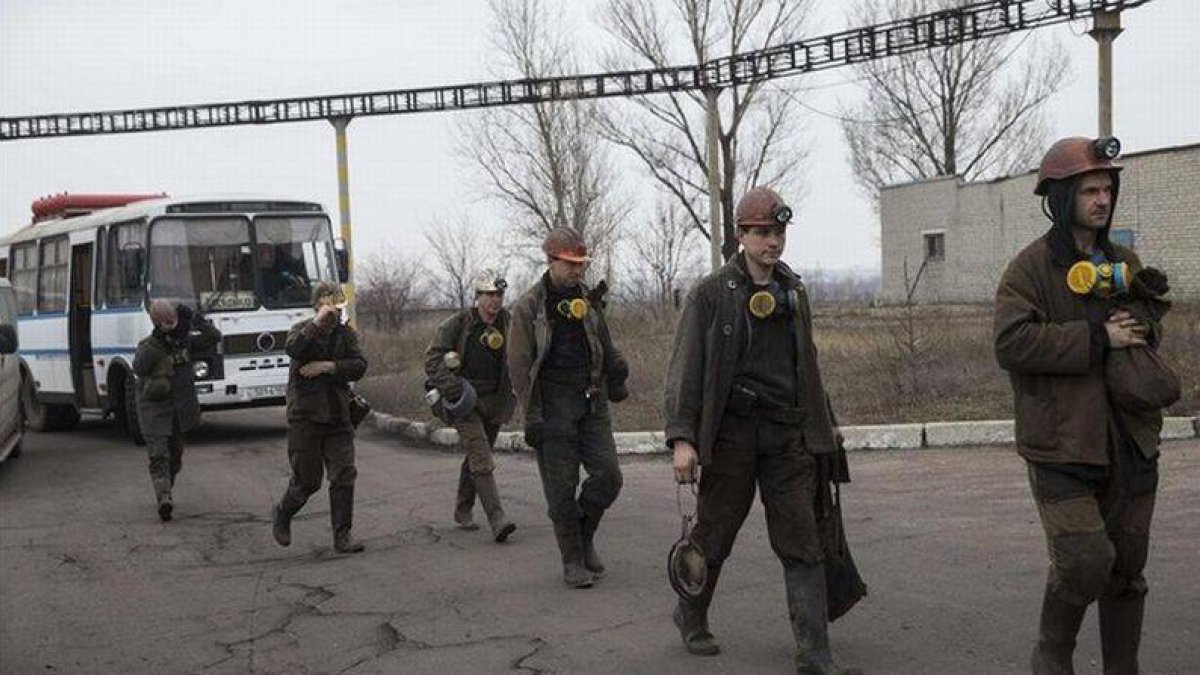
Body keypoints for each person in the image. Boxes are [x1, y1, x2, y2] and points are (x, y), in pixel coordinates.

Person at [663, 187, 860, 674]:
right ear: (742, 236)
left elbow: (806, 366)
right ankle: (690, 611)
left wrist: (827, 426)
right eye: (763, 233)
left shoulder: (794, 291)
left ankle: (815, 657)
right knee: (715, 533)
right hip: (732, 435)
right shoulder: (712, 294)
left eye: (778, 233)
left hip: (786, 436)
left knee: (803, 540)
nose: (773, 242)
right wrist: (683, 440)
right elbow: (687, 368)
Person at [995, 136, 1167, 675]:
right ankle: (1052, 657)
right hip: (1062, 442)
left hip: (1130, 437)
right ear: (1062, 196)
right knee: (1085, 562)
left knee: (1126, 567)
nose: (1101, 199)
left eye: (1106, 189)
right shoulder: (1029, 270)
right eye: (1090, 189)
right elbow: (1012, 344)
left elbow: (1147, 332)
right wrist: (1096, 336)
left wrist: (1144, 318)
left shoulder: (1124, 261)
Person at [508, 227, 629, 588]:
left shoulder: (589, 301)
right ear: (551, 261)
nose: (578, 270)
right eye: (571, 264)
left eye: (582, 264)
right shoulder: (528, 307)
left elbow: (605, 345)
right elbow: (518, 367)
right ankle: (573, 559)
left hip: (591, 400)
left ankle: (584, 533)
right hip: (552, 405)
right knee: (561, 490)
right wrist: (532, 415)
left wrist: (618, 373)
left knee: (609, 477)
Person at [271, 281, 369, 553]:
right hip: (306, 417)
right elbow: (294, 349)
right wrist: (317, 324)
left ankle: (342, 536)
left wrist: (329, 366)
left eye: (336, 304)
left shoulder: (345, 334)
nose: (333, 310)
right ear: (316, 305)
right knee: (308, 481)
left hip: (338, 415)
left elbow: (359, 366)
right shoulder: (302, 330)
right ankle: (282, 512)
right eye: (327, 304)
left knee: (344, 474)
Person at [423, 269, 517, 543]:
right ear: (478, 297)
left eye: (499, 295)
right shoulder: (458, 323)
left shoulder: (508, 323)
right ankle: (497, 518)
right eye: (489, 295)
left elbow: (524, 351)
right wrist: (452, 387)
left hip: (495, 400)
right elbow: (432, 359)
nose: (494, 301)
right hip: (465, 400)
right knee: (481, 456)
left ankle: (463, 508)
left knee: (477, 454)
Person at [133, 299, 221, 521]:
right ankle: (164, 497)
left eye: (174, 320)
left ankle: (167, 486)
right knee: (158, 455)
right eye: (166, 322)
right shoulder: (150, 345)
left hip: (180, 410)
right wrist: (158, 342)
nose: (172, 325)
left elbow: (214, 337)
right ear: (157, 322)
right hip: (154, 409)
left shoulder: (186, 342)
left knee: (175, 456)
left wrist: (196, 320)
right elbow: (138, 367)